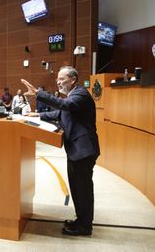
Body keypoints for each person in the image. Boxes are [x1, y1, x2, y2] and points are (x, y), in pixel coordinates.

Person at [21, 66, 100, 236]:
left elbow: (66, 106)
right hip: (77, 150)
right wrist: (38, 115)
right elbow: (61, 113)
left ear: (72, 80)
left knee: (83, 190)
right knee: (77, 189)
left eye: (62, 79)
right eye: (58, 78)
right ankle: (81, 220)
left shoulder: (81, 94)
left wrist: (38, 93)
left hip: (83, 150)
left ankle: (85, 226)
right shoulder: (73, 96)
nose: (58, 81)